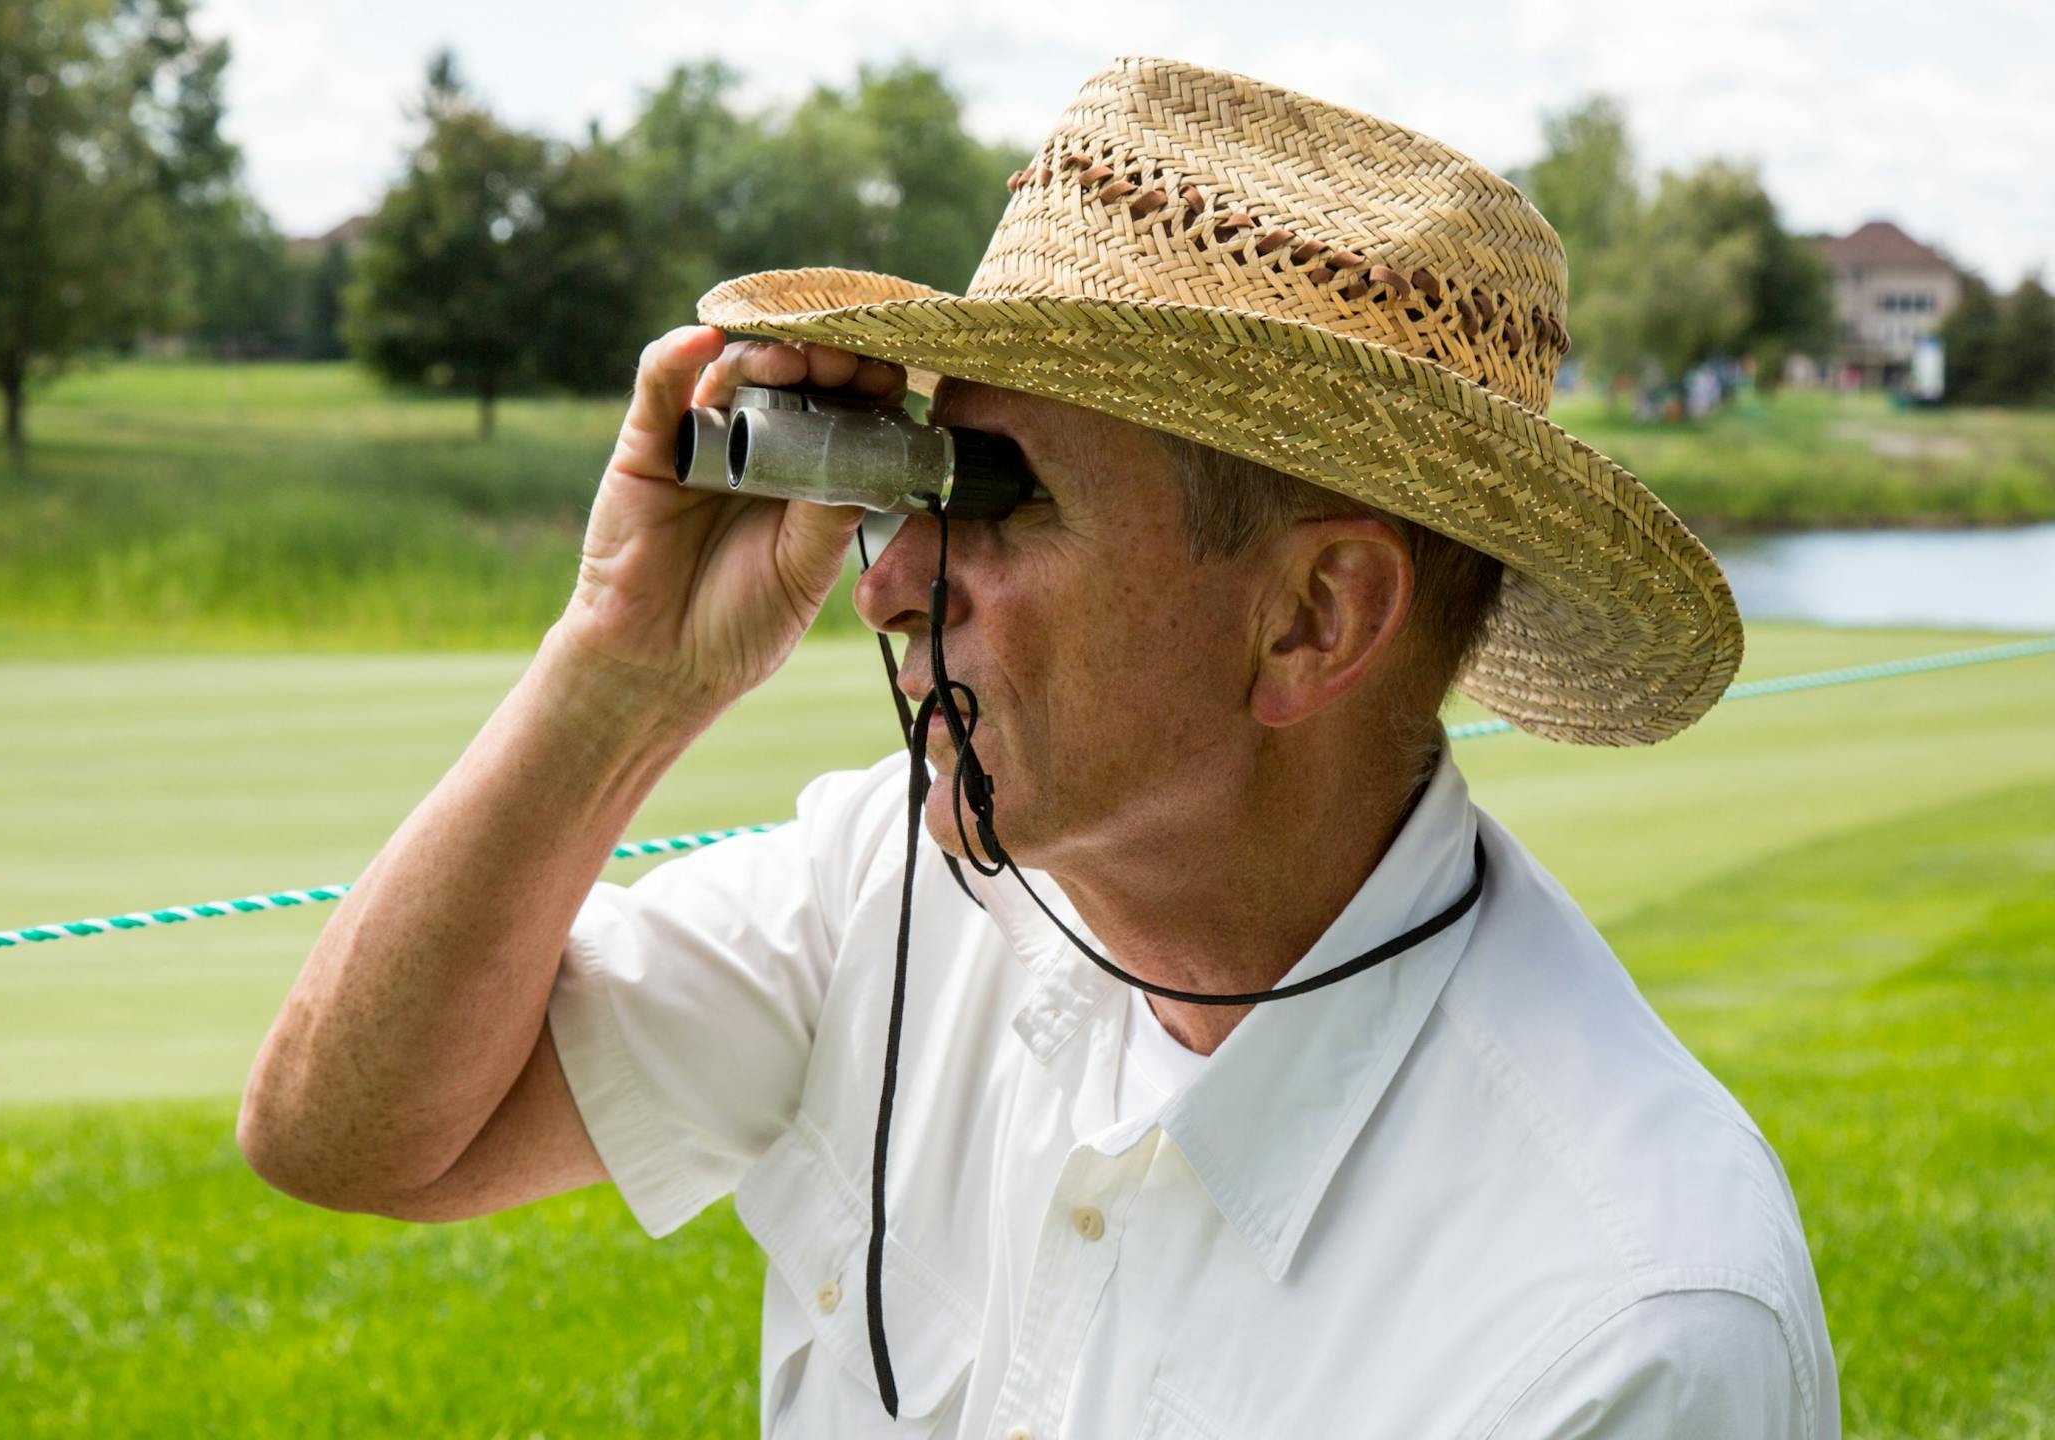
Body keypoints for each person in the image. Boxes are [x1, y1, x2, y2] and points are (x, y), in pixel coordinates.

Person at [239, 56, 1840, 1438]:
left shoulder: (1627, 1319)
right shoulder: (891, 881)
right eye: (920, 484)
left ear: (1315, 618)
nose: (886, 583)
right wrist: (621, 676)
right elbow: (352, 1137)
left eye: (1000, 501)